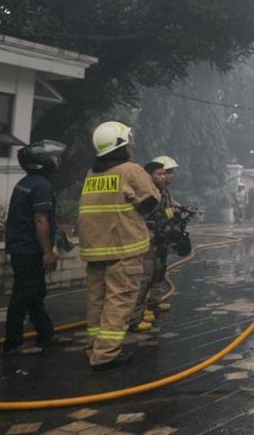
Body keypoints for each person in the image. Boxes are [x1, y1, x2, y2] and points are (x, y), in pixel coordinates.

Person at [77, 121, 160, 371]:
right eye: (129, 139)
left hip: (95, 249)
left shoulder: (93, 174)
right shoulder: (130, 171)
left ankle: (94, 346)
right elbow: (151, 203)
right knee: (120, 301)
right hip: (123, 248)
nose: (133, 143)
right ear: (121, 145)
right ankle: (106, 355)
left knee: (97, 301)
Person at [1, 139, 67, 357]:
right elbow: (40, 220)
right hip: (29, 249)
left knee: (35, 292)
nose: (57, 160)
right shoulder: (42, 185)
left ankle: (46, 334)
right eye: (53, 157)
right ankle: (13, 344)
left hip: (21, 246)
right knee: (23, 294)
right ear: (42, 161)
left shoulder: (27, 181)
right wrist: (48, 252)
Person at [127, 155, 181, 332]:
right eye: (161, 173)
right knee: (144, 276)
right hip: (148, 238)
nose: (165, 177)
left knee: (158, 271)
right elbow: (147, 213)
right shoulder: (147, 192)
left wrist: (179, 212)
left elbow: (169, 207)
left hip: (160, 237)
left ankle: (152, 303)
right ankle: (135, 315)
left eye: (166, 173)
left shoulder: (164, 191)